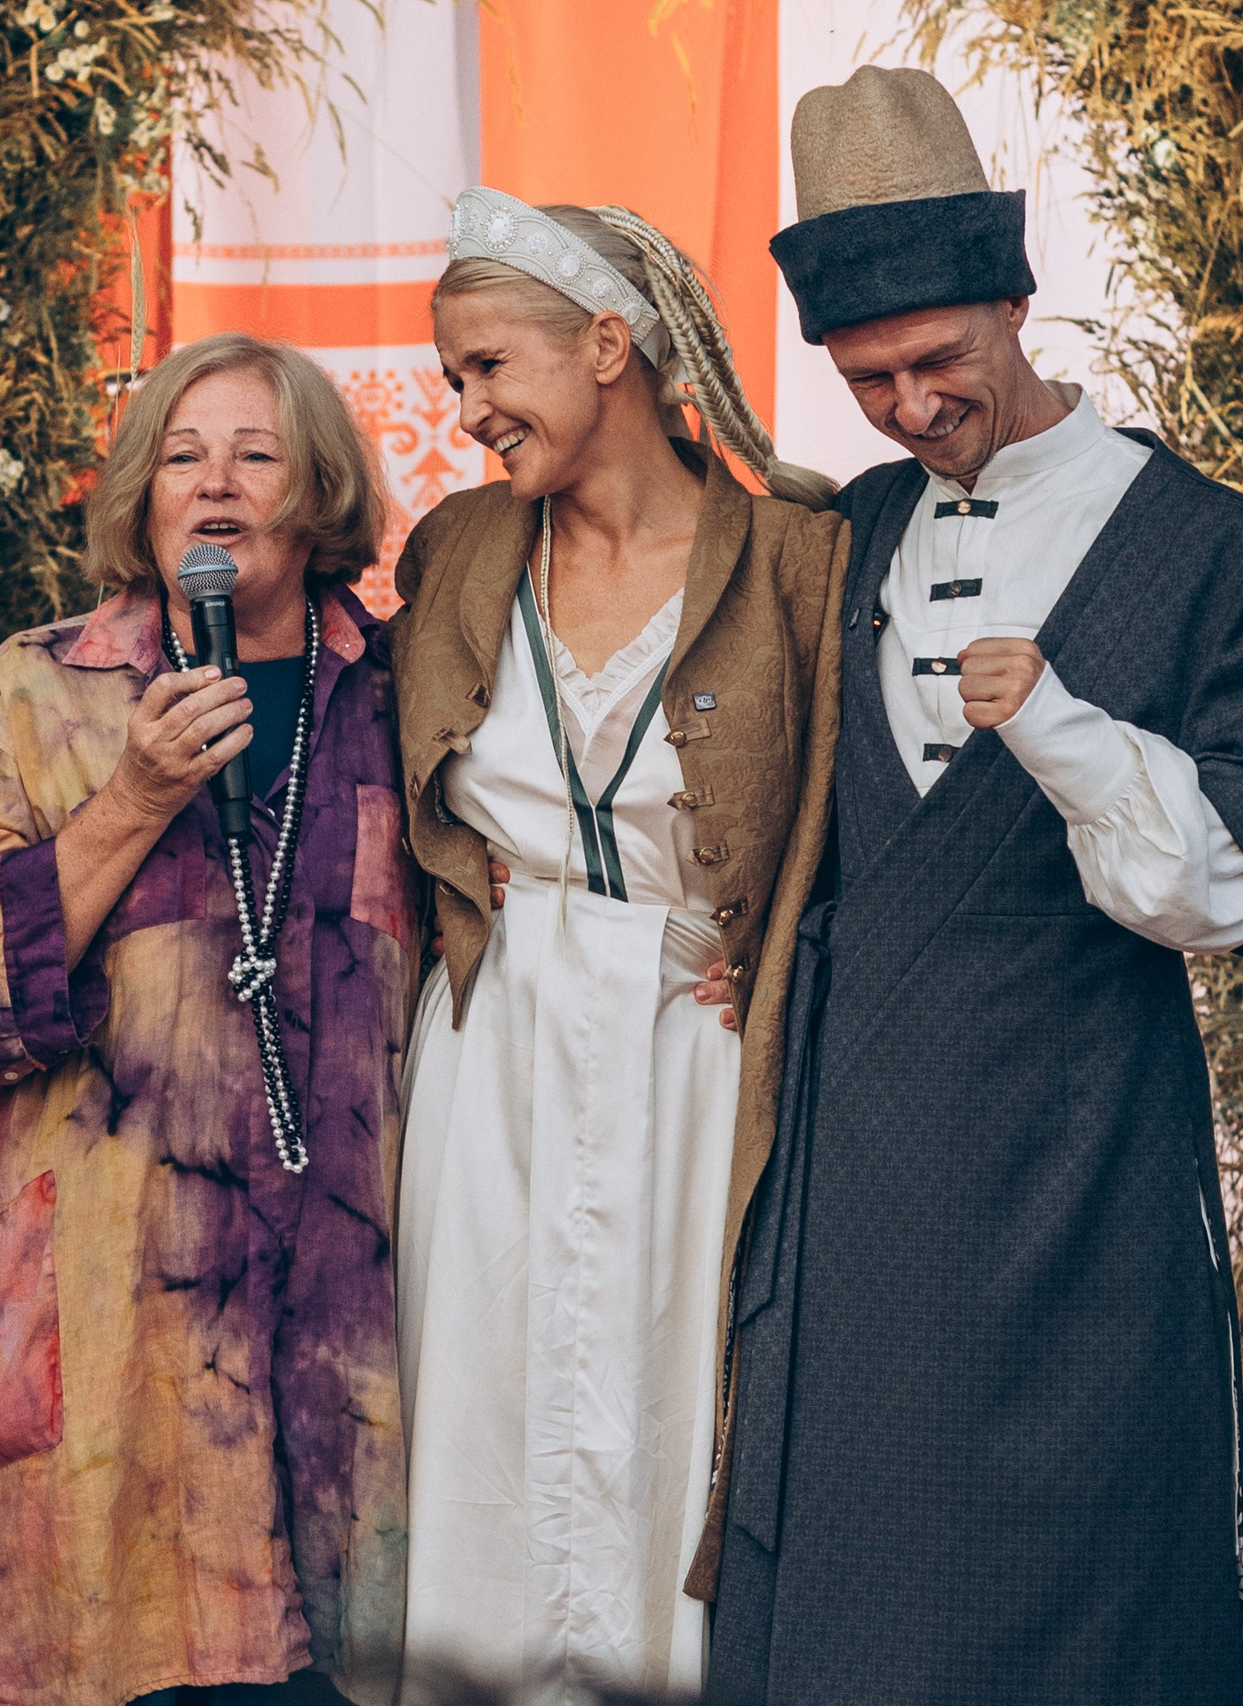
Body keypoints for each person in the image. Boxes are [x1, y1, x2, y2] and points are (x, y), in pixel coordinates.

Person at [703, 69, 1243, 1705]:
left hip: (1083, 1164)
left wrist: (1060, 730)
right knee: (852, 1597)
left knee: (1085, 1588)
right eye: (870, 382)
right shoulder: (839, 535)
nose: (914, 407)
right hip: (849, 1174)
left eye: (942, 360)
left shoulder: (1225, 556)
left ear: (1015, 295)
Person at [0, 330, 415, 1706]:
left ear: (320, 495)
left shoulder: (407, 690)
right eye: (182, 454)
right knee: (96, 1648)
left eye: (256, 453)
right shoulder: (54, 684)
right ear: (142, 490)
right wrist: (134, 794)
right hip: (115, 1301)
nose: (214, 484)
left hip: (355, 1308)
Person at [384, 189, 846, 1694]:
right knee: (487, 1401)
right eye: (452, 377)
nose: (466, 411)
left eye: (488, 368)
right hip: (494, 1044)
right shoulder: (452, 552)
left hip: (692, 1044)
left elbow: (855, 825)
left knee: (666, 1396)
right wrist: (467, 881)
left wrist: (762, 951)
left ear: (607, 345)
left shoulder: (801, 554)